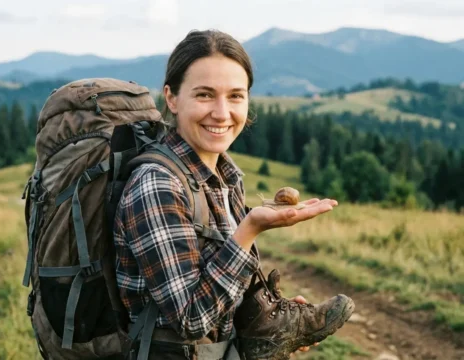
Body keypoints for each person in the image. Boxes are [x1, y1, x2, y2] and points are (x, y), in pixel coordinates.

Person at [113, 29, 340, 359]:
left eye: (236, 96)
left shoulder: (224, 178)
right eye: (205, 95)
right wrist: (249, 229)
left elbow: (219, 290)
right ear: (172, 98)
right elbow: (191, 320)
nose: (222, 113)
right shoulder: (157, 185)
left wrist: (270, 318)